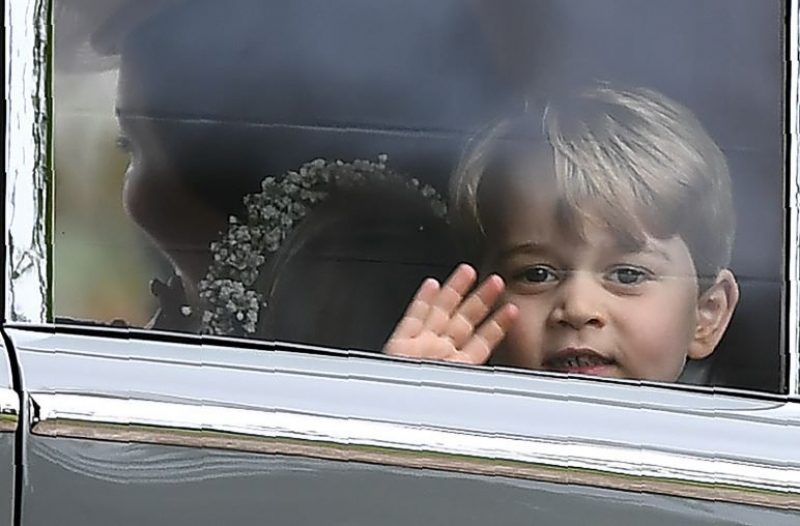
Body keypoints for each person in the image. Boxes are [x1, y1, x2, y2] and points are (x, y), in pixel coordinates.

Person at [385, 84, 740, 383]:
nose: (578, 308)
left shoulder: (734, 444)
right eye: (536, 274)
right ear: (479, 305)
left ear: (706, 315)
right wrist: (414, 403)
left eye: (627, 275)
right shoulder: (457, 430)